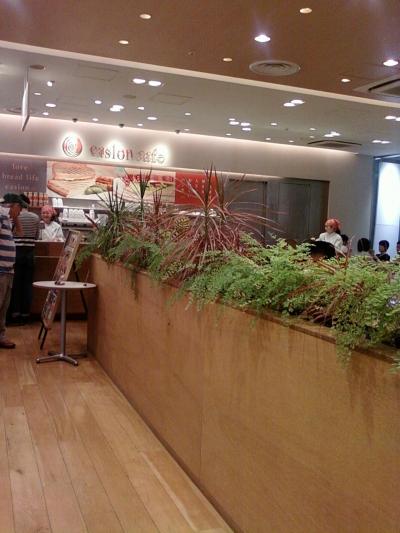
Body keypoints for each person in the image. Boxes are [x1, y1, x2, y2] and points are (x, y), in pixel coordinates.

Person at [8, 194, 40, 324]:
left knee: (16, 284)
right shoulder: (36, 217)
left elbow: (10, 234)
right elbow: (37, 236)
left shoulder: (14, 217)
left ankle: (15, 314)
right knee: (27, 285)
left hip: (17, 253)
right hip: (30, 254)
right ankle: (25, 315)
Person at [0, 193, 24, 348]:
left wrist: (15, 218)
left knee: (3, 307)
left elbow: (20, 233)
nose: (20, 212)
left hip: (8, 270)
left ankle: (1, 336)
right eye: (19, 208)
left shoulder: (7, 219)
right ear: (13, 205)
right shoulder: (1, 217)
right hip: (1, 270)